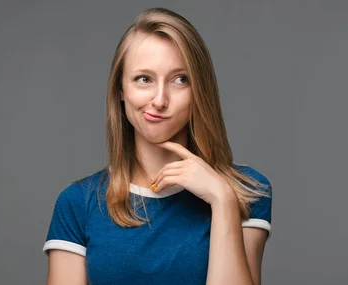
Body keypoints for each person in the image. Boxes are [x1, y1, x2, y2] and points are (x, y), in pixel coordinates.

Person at [42, 7, 272, 285]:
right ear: (121, 90)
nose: (159, 100)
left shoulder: (246, 192)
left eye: (180, 79)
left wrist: (222, 201)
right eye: (144, 79)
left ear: (199, 90)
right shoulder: (78, 203)